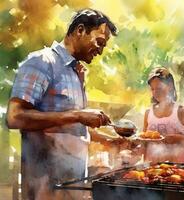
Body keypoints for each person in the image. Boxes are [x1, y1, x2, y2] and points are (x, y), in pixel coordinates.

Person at [6, 9, 117, 200]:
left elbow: (70, 128)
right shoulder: (41, 61)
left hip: (71, 185)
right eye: (99, 42)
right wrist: (78, 115)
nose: (100, 50)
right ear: (80, 30)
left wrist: (111, 140)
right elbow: (15, 117)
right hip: (44, 186)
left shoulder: (77, 72)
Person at [142, 67, 184, 163]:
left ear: (169, 86)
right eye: (152, 89)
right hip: (150, 172)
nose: (155, 93)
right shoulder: (148, 113)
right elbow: (143, 145)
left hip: (177, 172)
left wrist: (179, 139)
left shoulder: (183, 112)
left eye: (159, 88)